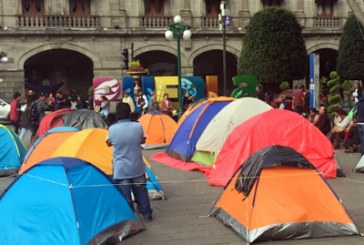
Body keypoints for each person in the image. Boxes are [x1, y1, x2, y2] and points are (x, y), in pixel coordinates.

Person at [106, 102, 153, 222]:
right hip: (136, 165)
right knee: (141, 190)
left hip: (121, 168)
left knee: (125, 194)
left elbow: (108, 142)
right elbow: (143, 140)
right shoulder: (137, 126)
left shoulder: (112, 129)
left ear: (117, 114)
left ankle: (129, 216)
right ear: (129, 113)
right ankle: (146, 213)